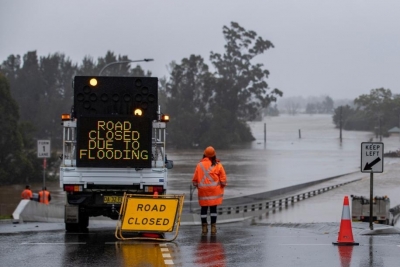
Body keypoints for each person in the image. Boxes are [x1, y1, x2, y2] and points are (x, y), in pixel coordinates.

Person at [192, 146, 227, 236]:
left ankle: (204, 228)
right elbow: (223, 180)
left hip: (203, 192)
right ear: (214, 155)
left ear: (204, 154)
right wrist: (221, 186)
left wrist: (199, 185)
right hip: (215, 192)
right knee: (213, 209)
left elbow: (195, 180)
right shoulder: (218, 165)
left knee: (203, 209)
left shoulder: (199, 165)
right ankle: (213, 228)